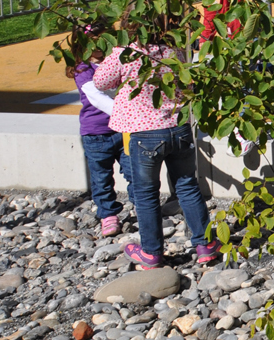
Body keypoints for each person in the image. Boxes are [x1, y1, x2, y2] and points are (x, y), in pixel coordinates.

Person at [93, 24, 219, 269]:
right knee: (187, 185)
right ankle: (205, 244)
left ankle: (151, 252)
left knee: (146, 193)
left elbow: (100, 82)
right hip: (178, 127)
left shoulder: (126, 52)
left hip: (145, 133)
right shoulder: (174, 51)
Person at [70, 46, 131, 237]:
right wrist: (129, 115)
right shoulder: (83, 69)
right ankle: (108, 214)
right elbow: (97, 98)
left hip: (123, 130)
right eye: (92, 41)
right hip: (96, 133)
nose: (97, 46)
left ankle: (145, 208)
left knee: (135, 171)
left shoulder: (118, 60)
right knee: (101, 178)